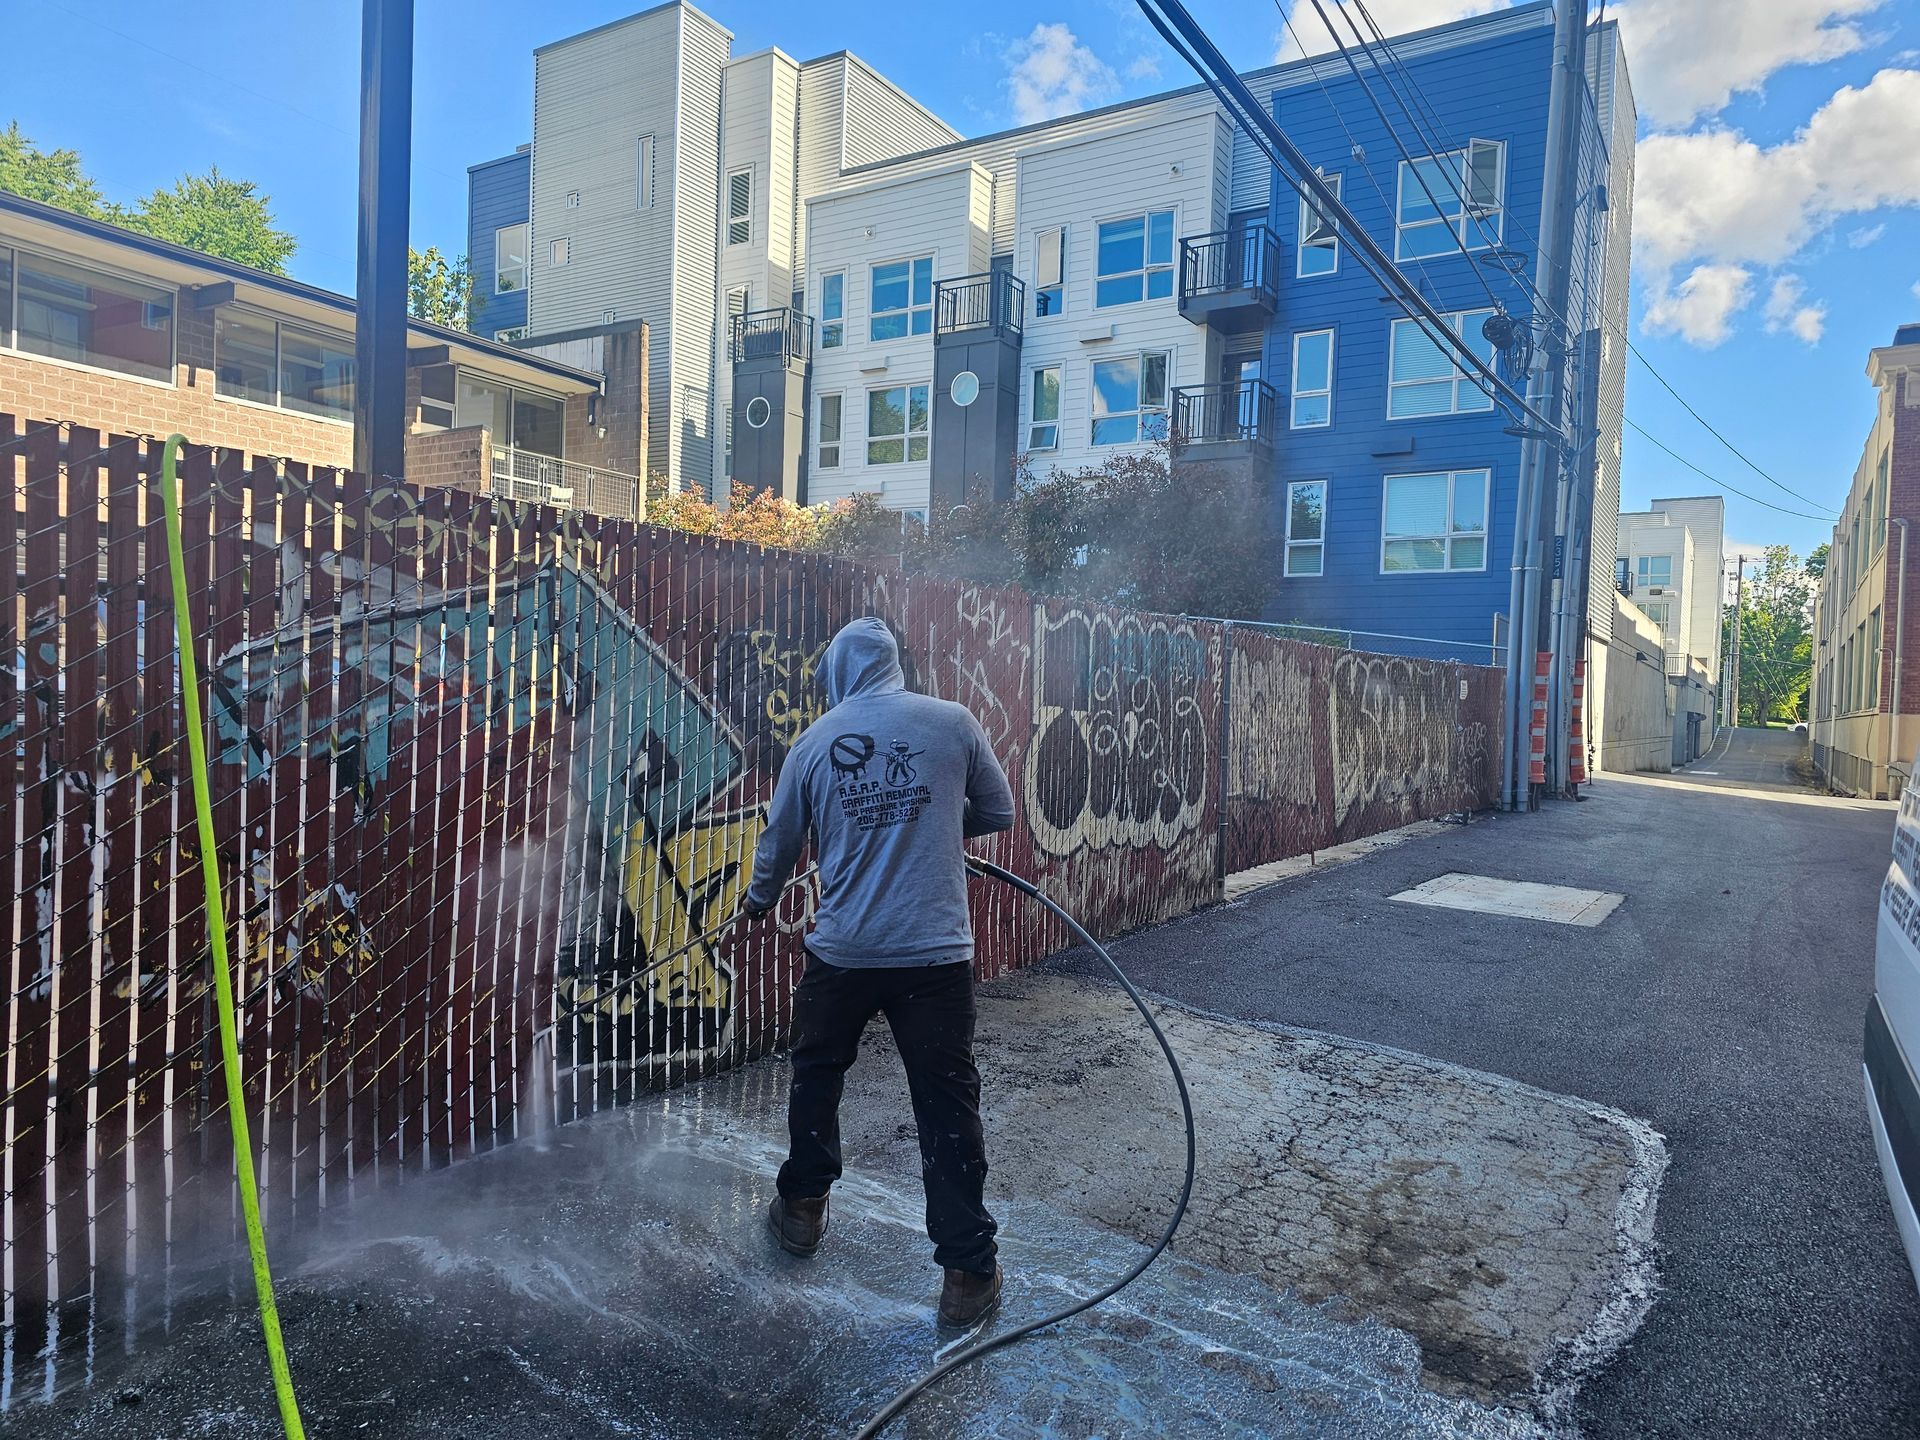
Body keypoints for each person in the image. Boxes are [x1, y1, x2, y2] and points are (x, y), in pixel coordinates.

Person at [743, 616, 1016, 1329]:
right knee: (946, 1108)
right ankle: (967, 1274)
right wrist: (933, 830)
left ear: (837, 671)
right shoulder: (952, 721)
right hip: (935, 960)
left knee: (817, 1076)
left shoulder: (813, 742)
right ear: (895, 665)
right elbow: (998, 808)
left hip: (844, 954)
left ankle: (801, 1211)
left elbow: (778, 843)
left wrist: (757, 901)